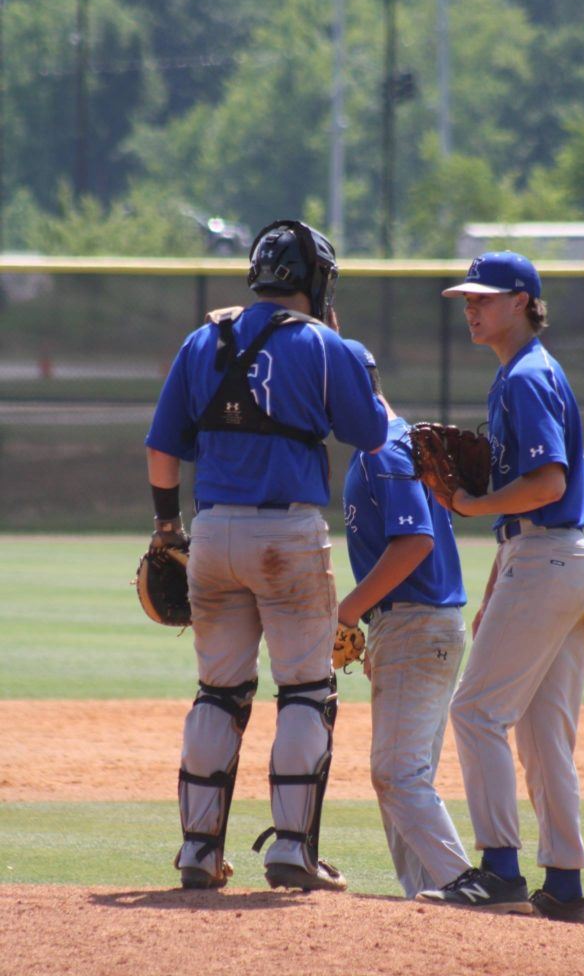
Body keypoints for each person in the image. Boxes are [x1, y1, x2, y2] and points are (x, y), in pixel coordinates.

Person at [144, 219, 388, 893]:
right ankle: (291, 851)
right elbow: (369, 434)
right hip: (287, 538)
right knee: (306, 690)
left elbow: (162, 451)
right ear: (315, 282)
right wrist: (343, 358)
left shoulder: (203, 339)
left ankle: (197, 853)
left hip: (213, 532)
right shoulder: (320, 342)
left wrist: (167, 530)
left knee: (217, 694)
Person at [417, 251, 584, 922]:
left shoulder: (525, 377)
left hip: (549, 559)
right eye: (467, 298)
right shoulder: (523, 373)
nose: (471, 307)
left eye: (485, 298)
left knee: (474, 713)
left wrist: (470, 506)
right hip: (559, 562)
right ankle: (563, 883)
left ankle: (499, 868)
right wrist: (500, 571)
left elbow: (548, 484)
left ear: (524, 301)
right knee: (539, 737)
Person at [338, 338, 472, 899]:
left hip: (418, 624)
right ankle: (428, 899)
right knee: (399, 776)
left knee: (398, 775)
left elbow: (414, 542)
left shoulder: (384, 451)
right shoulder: (386, 443)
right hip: (415, 626)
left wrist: (348, 610)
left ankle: (465, 885)